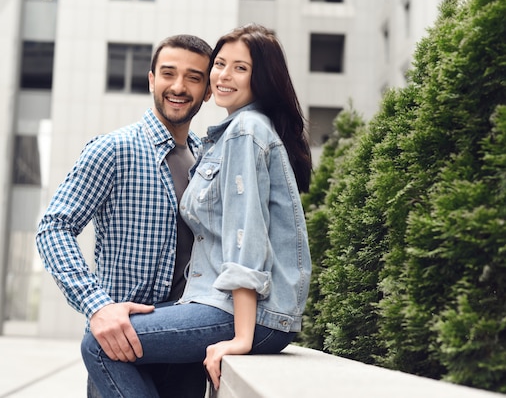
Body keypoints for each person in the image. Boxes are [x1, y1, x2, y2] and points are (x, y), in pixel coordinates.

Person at [81, 23, 312, 397]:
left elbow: (245, 235)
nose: (224, 75)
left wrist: (241, 338)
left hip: (242, 313)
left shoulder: (245, 132)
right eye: (220, 64)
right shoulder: (226, 137)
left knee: (100, 343)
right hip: (223, 308)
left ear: (263, 78)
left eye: (241, 68)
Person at [36, 34, 214, 397]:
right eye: (168, 73)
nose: (178, 87)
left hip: (187, 355)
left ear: (208, 90)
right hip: (121, 348)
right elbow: (53, 228)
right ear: (151, 79)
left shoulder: (207, 161)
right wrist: (96, 306)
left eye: (194, 77)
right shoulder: (114, 149)